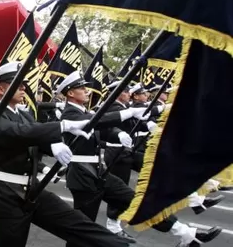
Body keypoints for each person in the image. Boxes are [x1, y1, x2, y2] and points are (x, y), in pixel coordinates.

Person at [59, 71, 222, 247]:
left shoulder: (84, 112)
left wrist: (119, 133)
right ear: (70, 93)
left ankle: (187, 235)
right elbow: (97, 121)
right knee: (83, 230)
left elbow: (103, 128)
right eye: (81, 88)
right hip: (82, 177)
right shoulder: (69, 114)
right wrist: (130, 113)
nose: (86, 90)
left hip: (99, 171)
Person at [0, 62, 131, 247]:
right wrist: (63, 126)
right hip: (6, 196)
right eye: (18, 84)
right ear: (1, 89)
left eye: (23, 84)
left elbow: (34, 132)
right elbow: (15, 132)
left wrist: (53, 145)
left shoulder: (23, 114)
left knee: (78, 225)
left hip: (32, 189)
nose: (23, 88)